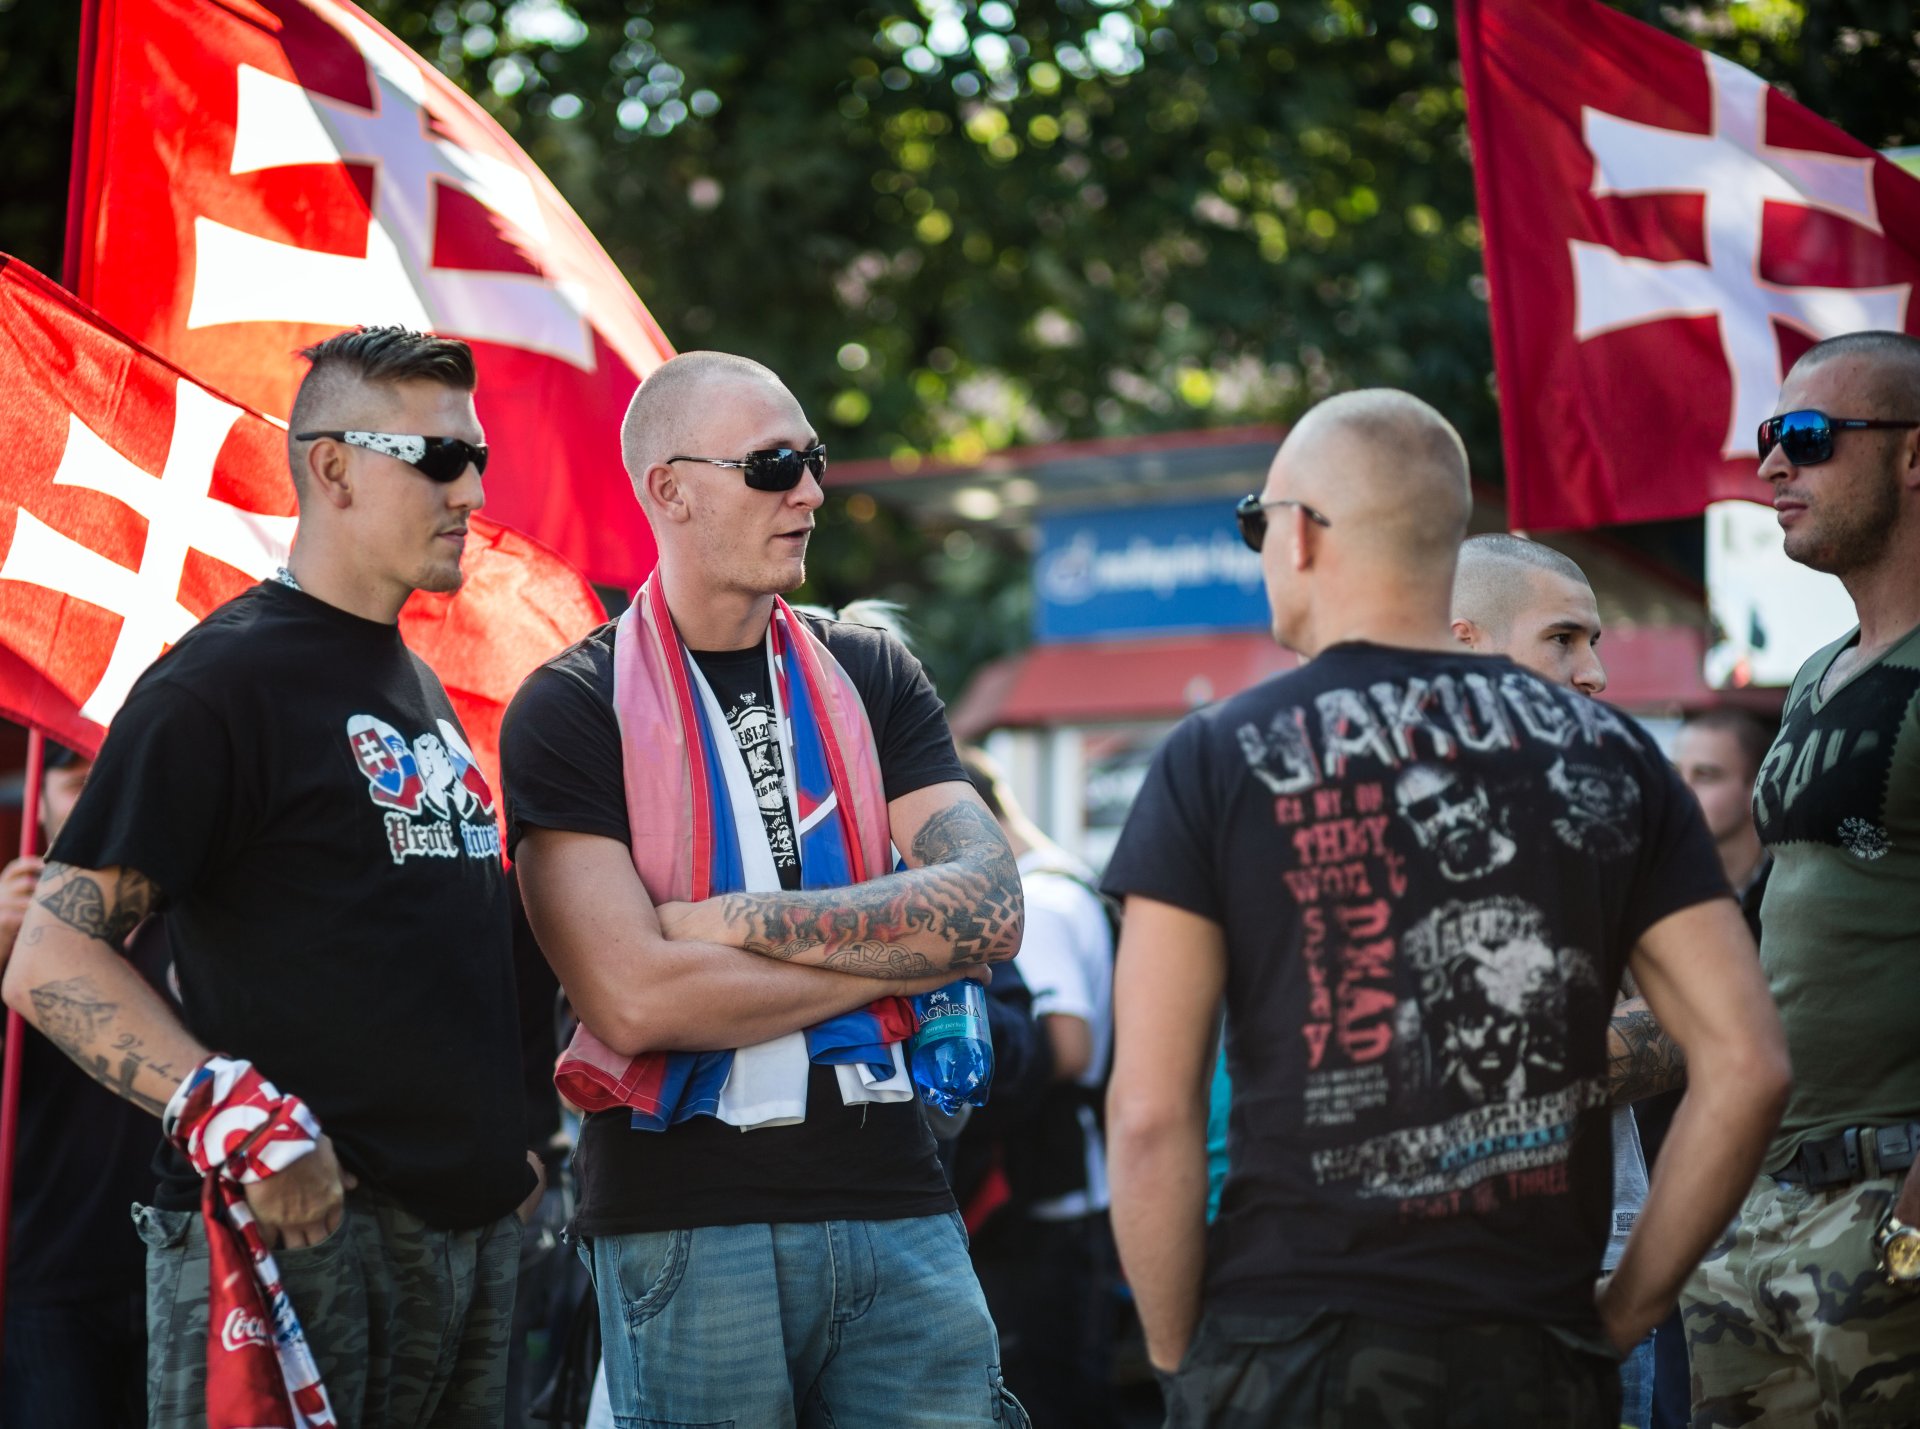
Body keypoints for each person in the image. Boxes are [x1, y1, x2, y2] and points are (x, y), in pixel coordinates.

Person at [1100, 388, 1789, 1428]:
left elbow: (1151, 1113)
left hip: (1285, 1344)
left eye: (1257, 523)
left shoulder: (1216, 757)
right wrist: (1617, 1317)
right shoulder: (1611, 755)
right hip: (1532, 1343)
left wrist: (1178, 1360)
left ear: (1301, 535)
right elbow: (1750, 1062)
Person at [0, 327, 538, 1428]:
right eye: (440, 457)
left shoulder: (418, 682)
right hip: (299, 1236)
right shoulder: (217, 685)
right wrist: (241, 1121)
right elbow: (48, 956)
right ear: (333, 468)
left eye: (477, 457)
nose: (474, 491)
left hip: (467, 1242)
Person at [500, 350, 1027, 1428]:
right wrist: (898, 964)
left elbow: (990, 907)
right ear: (670, 490)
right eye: (774, 465)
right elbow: (634, 1001)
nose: (812, 492)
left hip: (898, 1204)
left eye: (813, 460)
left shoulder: (872, 670)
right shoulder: (570, 706)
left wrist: (730, 928)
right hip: (686, 1222)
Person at [1682, 330, 1920, 1427]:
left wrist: (1913, 1221)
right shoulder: (1820, 671)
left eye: (1811, 436)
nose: (1773, 464)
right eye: (1771, 436)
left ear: (1912, 457)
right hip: (1762, 1207)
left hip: (1890, 1201)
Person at [1450, 532, 1659, 1429]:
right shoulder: (1353, 810)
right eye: (1563, 639)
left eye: (1595, 642)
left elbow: (1705, 1028)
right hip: (1398, 1288)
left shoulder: (1608, 816)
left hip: (1588, 1279)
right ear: (1466, 644)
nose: (1595, 674)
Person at [0, 746, 166, 1429]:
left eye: (114, 778)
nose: (101, 800)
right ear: (36, 802)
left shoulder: (199, 919)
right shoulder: (9, 918)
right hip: (45, 1275)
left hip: (185, 1263)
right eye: (77, 783)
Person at [957, 747, 1118, 1428]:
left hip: (1049, 1196)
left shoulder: (1038, 902)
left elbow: (1069, 1047)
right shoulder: (1070, 877)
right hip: (1075, 1185)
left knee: (1050, 1396)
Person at [1670, 708, 1773, 938]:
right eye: (1675, 774)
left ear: (1757, 789)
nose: (1681, 791)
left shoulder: (1789, 892)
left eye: (1705, 775)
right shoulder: (1658, 889)